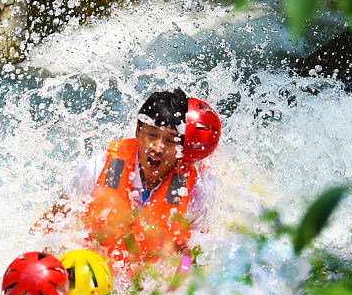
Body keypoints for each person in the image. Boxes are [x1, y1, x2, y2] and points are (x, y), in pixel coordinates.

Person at [37, 89, 221, 279]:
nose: (157, 147)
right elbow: (53, 220)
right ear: (138, 131)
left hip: (148, 285)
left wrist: (176, 284)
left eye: (169, 140)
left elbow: (191, 258)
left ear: (182, 147)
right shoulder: (99, 168)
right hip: (92, 274)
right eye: (152, 134)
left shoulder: (194, 192)